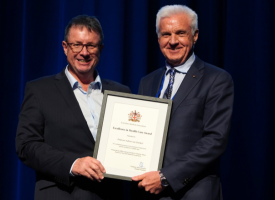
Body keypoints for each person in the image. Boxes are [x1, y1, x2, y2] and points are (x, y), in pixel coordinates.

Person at [16, 15, 131, 200]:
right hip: (62, 194)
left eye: (91, 46)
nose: (84, 53)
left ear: (100, 49)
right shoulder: (40, 90)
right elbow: (26, 146)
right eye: (77, 45)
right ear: (65, 47)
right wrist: (73, 164)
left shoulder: (121, 92)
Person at [131, 5, 234, 200]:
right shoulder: (148, 81)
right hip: (149, 193)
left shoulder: (217, 79)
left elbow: (215, 140)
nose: (172, 41)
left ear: (195, 36)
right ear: (158, 38)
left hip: (193, 192)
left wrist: (165, 177)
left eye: (180, 33)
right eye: (165, 34)